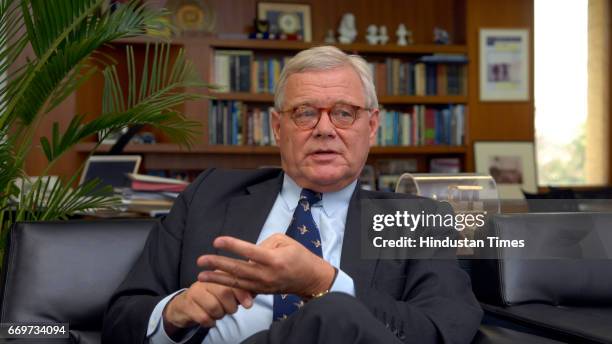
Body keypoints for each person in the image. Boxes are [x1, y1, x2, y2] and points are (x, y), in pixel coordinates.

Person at [102, 46, 483, 344]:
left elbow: (442, 331)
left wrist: (325, 282)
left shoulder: (417, 220)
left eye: (344, 114)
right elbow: (121, 318)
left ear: (372, 126)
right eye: (304, 113)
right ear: (276, 126)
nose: (324, 129)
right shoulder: (209, 194)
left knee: (333, 314)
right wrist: (175, 312)